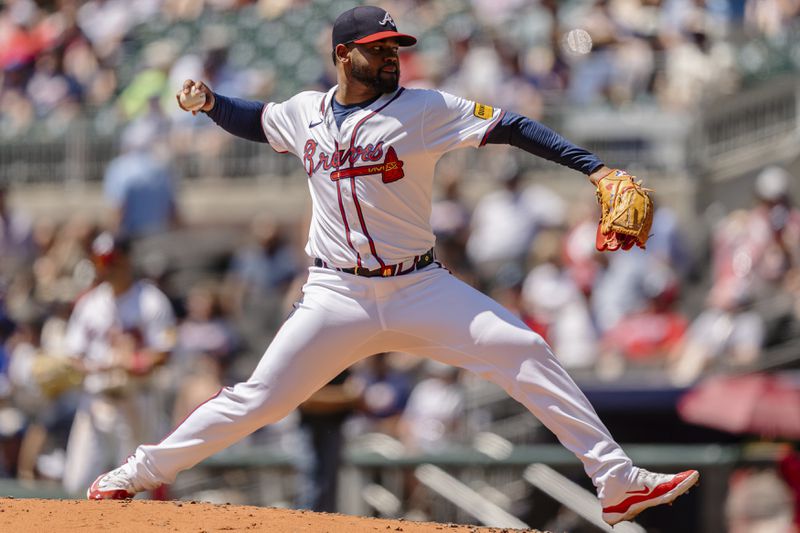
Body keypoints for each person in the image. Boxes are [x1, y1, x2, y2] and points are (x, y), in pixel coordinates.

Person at [87, 6, 698, 526]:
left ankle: (615, 481)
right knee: (258, 399)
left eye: (396, 48)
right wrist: (211, 102)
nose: (392, 58)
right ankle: (134, 473)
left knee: (524, 350)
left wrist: (592, 167)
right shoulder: (304, 113)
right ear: (343, 54)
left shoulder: (426, 108)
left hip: (420, 287)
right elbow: (257, 119)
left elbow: (510, 126)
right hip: (335, 295)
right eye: (378, 49)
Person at [63, 232, 176, 495]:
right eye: (101, 262)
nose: (106, 268)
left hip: (136, 399)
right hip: (96, 399)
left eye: (112, 261)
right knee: (77, 482)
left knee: (137, 487)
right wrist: (95, 366)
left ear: (127, 260)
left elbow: (164, 351)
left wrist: (133, 361)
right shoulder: (90, 303)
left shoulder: (151, 300)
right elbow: (73, 355)